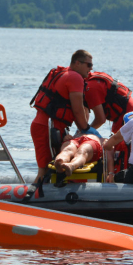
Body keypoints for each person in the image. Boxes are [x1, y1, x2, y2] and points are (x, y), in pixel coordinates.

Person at [29, 50, 94, 183]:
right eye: (88, 65)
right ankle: (33, 197)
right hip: (47, 128)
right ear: (76, 63)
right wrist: (86, 129)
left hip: (48, 126)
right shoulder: (75, 77)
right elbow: (77, 110)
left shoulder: (63, 73)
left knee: (56, 166)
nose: (91, 68)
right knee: (45, 170)